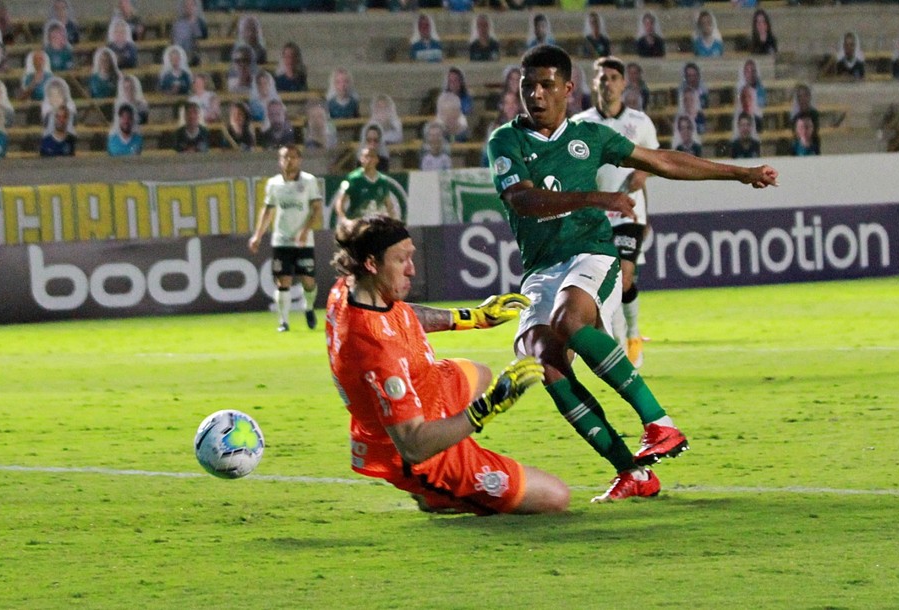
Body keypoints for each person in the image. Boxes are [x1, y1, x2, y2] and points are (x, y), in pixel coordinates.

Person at [487, 44, 777, 502]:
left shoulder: (590, 136)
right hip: (541, 266)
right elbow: (523, 200)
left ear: (567, 88)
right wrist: (595, 197)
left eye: (546, 85)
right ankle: (633, 472)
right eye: (528, 86)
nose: (536, 95)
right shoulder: (506, 140)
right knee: (542, 358)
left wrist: (739, 173)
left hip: (591, 252)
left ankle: (659, 422)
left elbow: (662, 161)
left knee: (569, 322)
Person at [326, 215, 570, 515]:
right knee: (556, 498)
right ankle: (437, 492)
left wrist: (473, 317)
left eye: (410, 256)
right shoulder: (376, 350)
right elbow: (412, 446)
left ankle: (452, 440)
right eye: (401, 260)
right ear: (372, 264)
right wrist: (488, 406)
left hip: (427, 390)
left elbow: (401, 313)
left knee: (479, 373)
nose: (412, 269)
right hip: (417, 454)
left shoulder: (351, 287)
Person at [573, 57, 659, 369]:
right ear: (594, 84)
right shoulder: (582, 124)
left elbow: (655, 161)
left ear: (624, 84)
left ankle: (632, 336)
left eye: (613, 77)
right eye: (602, 78)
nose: (607, 83)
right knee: (607, 283)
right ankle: (621, 343)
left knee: (623, 278)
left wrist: (644, 175)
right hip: (597, 212)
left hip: (629, 211)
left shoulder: (640, 122)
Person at [249, 145, 323, 333]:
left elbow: (316, 208)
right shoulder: (273, 183)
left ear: (299, 160)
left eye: (293, 157)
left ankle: (309, 307)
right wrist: (257, 235)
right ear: (279, 161)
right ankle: (284, 321)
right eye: (285, 157)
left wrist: (305, 230)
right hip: (281, 240)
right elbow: (267, 211)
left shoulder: (309, 181)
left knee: (308, 282)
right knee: (283, 282)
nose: (289, 160)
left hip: (303, 241)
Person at [334, 145, 400, 224]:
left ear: (377, 159)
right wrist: (345, 220)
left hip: (375, 225)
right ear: (361, 159)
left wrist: (395, 223)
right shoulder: (353, 178)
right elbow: (340, 202)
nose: (369, 159)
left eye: (372, 156)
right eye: (366, 156)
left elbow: (389, 205)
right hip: (357, 224)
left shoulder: (383, 181)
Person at [171, 0, 207, 67]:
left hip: (197, 57)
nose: (189, 7)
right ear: (183, 7)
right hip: (182, 56)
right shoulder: (177, 25)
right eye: (186, 5)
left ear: (195, 7)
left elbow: (204, 40)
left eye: (191, 5)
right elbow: (175, 44)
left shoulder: (201, 23)